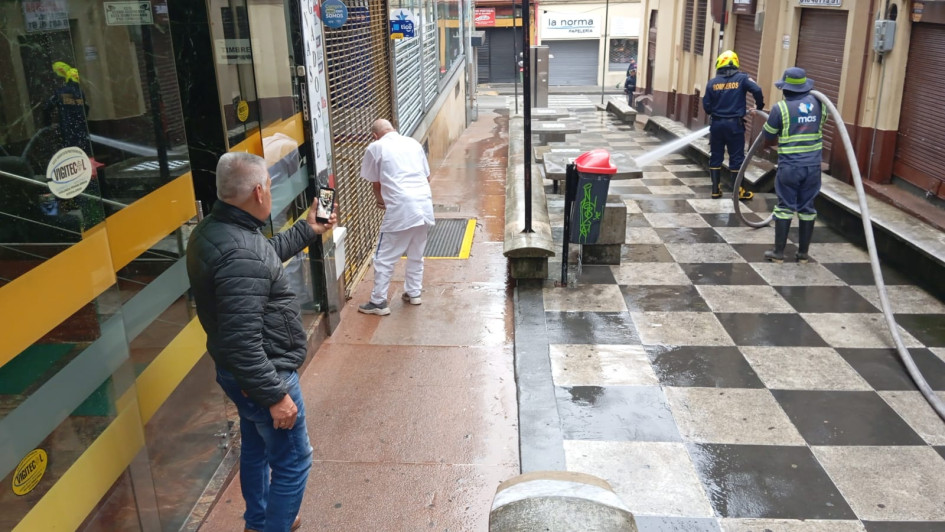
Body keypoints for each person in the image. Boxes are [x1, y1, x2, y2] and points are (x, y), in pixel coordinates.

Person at [186, 152, 336, 532]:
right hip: (264, 374)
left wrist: (308, 230)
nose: (270, 191)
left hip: (239, 374)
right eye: (269, 185)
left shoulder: (214, 230)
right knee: (293, 460)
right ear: (257, 191)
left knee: (255, 447)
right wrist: (275, 395)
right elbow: (243, 341)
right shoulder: (241, 251)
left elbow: (259, 259)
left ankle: (259, 521)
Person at [358, 118, 435, 315]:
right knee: (416, 253)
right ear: (394, 129)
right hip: (424, 204)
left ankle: (378, 302)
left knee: (384, 257)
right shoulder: (413, 143)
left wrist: (381, 202)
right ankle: (414, 293)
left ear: (374, 135)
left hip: (401, 207)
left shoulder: (376, 147)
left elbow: (376, 184)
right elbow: (427, 177)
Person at [761, 67, 826, 263]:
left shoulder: (779, 108)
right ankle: (803, 254)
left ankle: (779, 253)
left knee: (785, 207)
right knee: (807, 208)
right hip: (813, 167)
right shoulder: (819, 104)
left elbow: (768, 137)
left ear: (785, 88)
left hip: (790, 167)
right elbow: (821, 123)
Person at [702, 50, 765, 200]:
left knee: (716, 156)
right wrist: (759, 107)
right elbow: (757, 89)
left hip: (716, 125)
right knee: (736, 158)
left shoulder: (712, 83)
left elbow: (706, 106)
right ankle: (739, 191)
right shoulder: (742, 79)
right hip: (734, 126)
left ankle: (715, 190)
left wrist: (716, 111)